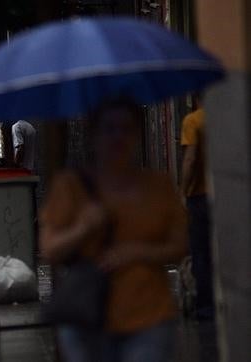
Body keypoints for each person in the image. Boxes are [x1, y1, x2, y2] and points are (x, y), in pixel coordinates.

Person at [39, 99, 187, 362]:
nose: (118, 136)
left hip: (149, 316)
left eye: (126, 128)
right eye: (109, 129)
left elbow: (181, 245)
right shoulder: (72, 187)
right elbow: (50, 249)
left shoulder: (158, 186)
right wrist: (83, 228)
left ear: (137, 134)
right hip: (88, 320)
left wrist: (138, 252)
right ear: (94, 135)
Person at [181, 99, 214, 321]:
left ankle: (205, 305)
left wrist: (183, 191)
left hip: (199, 197)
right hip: (221, 195)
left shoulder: (193, 121)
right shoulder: (220, 120)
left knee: (200, 252)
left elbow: (191, 159)